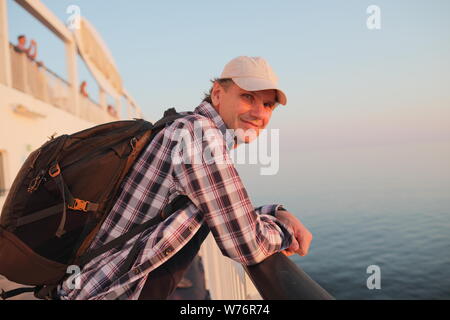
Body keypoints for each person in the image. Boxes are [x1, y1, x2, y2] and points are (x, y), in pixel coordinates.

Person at [58, 56, 313, 300]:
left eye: (268, 105)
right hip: (107, 293)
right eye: (248, 97)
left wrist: (275, 211)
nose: (260, 113)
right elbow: (246, 244)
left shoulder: (187, 126)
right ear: (217, 94)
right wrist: (286, 231)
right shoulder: (199, 134)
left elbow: (218, 209)